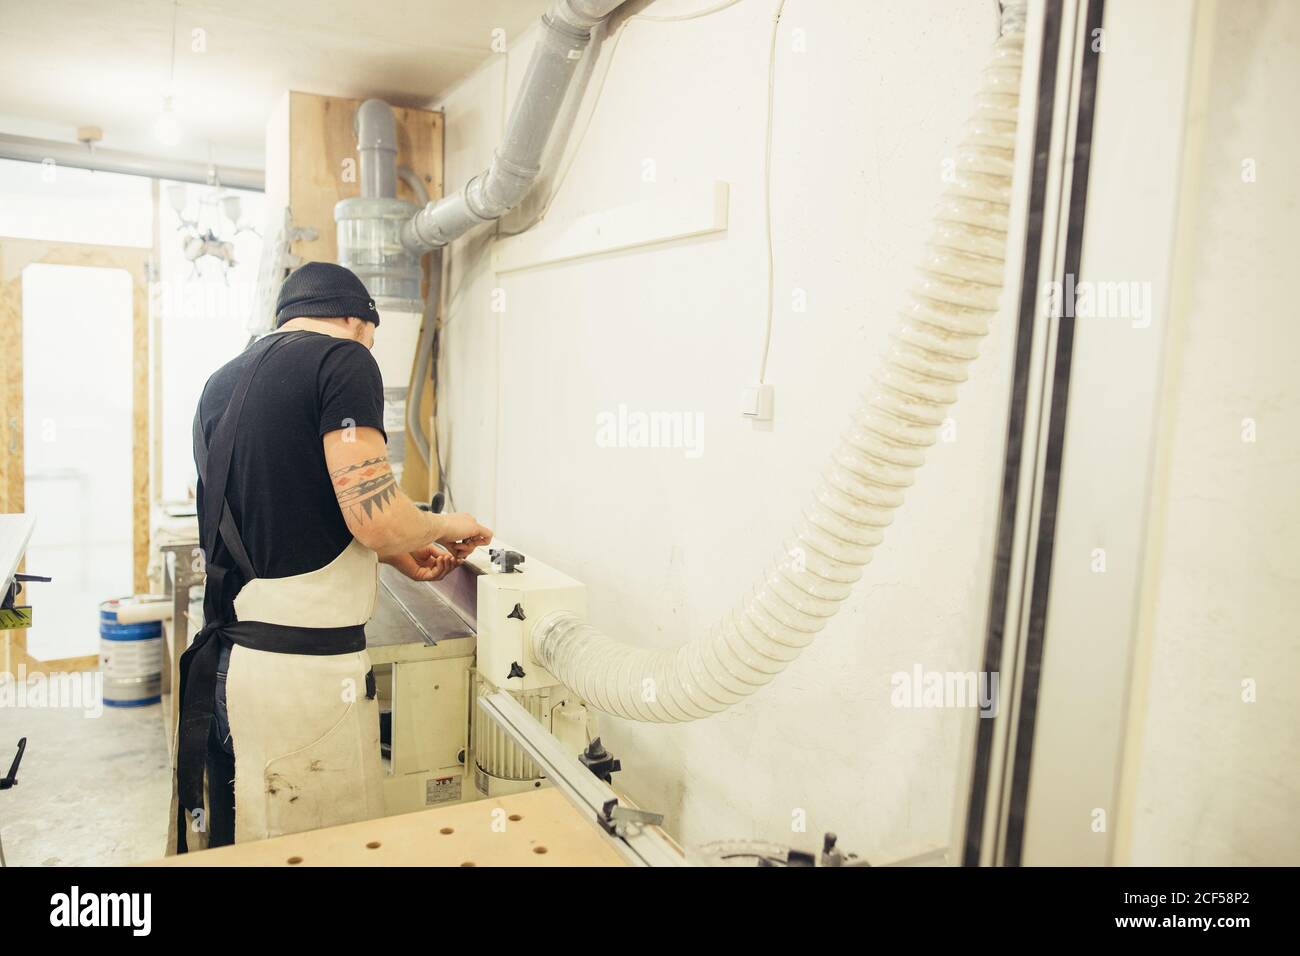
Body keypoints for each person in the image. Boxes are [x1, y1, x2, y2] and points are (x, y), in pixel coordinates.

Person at [169, 261, 491, 852]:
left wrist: (399, 553)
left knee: (248, 843)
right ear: (353, 319)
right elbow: (374, 515)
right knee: (326, 854)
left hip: (235, 666)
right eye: (371, 337)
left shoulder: (222, 381)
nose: (370, 349)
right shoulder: (342, 359)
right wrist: (448, 525)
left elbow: (285, 505)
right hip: (302, 681)